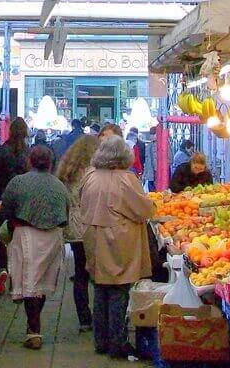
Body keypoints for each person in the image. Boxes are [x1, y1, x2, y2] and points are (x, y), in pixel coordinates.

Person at [78, 135, 155, 359]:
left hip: (93, 237)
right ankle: (118, 343)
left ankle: (100, 340)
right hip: (119, 239)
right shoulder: (126, 179)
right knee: (119, 289)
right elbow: (142, 209)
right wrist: (154, 205)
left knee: (100, 288)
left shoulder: (90, 177)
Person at [1, 145, 70, 350]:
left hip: (26, 233)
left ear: (29, 161)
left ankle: (34, 330)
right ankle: (33, 326)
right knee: (41, 284)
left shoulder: (18, 182)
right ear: (51, 163)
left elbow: (6, 208)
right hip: (53, 237)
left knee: (30, 282)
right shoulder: (59, 186)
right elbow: (65, 213)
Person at [0, 117, 30, 295]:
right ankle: (16, 279)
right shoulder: (28, 153)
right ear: (25, 133)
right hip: (21, 205)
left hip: (1, 203)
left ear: (10, 131)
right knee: (18, 242)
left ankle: (2, 269)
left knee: (1, 240)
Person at [56, 134, 99, 333]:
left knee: (80, 273)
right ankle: (101, 316)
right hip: (92, 225)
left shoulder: (67, 172)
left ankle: (84, 319)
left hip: (74, 227)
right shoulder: (94, 173)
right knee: (98, 273)